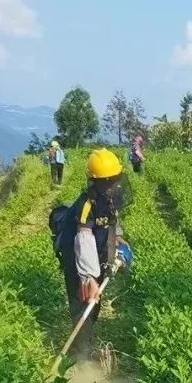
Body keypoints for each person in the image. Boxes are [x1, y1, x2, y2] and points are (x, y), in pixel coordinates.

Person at [54, 147, 132, 357]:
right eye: (107, 181)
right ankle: (82, 358)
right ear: (95, 182)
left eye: (114, 179)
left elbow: (112, 226)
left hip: (95, 254)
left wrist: (120, 246)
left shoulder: (110, 199)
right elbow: (84, 239)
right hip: (77, 257)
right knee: (84, 303)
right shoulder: (86, 206)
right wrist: (89, 278)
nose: (112, 185)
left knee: (95, 303)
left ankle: (84, 342)